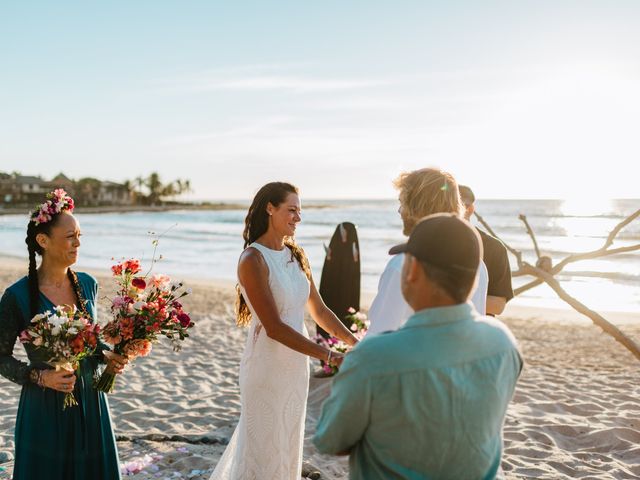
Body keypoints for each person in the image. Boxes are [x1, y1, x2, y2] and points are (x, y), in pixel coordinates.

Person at [314, 213, 523, 480]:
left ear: (412, 271)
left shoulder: (374, 357)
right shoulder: (503, 343)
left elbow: (330, 440)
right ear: (474, 279)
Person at [210, 182, 359, 480]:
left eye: (299, 212)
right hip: (266, 366)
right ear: (270, 208)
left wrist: (356, 342)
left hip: (295, 366)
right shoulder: (253, 259)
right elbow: (275, 328)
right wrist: (330, 357)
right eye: (292, 210)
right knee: (263, 447)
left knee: (288, 442)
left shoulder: (296, 254)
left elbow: (320, 310)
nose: (298, 218)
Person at [0, 189, 128, 480]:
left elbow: (91, 344)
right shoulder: (16, 296)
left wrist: (110, 355)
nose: (78, 243)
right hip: (43, 408)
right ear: (43, 241)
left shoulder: (88, 284)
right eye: (70, 236)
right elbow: (0, 357)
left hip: (91, 402)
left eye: (79, 235)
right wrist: (41, 377)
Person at [366, 167, 488, 336]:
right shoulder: (477, 264)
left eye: (402, 203)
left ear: (414, 207)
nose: (400, 211)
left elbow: (378, 337)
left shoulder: (404, 265)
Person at [459, 185, 514, 315]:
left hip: (477, 329)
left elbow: (498, 305)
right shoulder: (433, 243)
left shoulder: (494, 247)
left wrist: (445, 305)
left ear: (470, 209)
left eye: (456, 205)